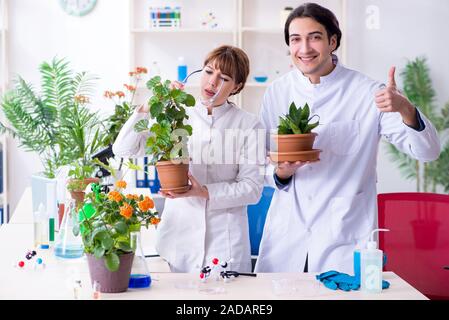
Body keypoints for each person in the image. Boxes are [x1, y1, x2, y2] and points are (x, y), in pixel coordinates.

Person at [255, 3, 440, 274]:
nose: (304, 48)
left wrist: (406, 109)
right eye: (296, 39)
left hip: (342, 236)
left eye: (314, 37)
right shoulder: (277, 92)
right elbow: (261, 163)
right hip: (287, 235)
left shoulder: (369, 93)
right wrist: (280, 173)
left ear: (333, 41)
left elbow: (428, 151)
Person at [113, 45, 265, 273]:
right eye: (208, 71)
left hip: (225, 243)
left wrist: (203, 191)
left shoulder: (249, 125)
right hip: (178, 239)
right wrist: (149, 105)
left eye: (224, 78)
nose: (212, 82)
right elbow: (124, 149)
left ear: (237, 86)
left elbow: (252, 189)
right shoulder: (176, 114)